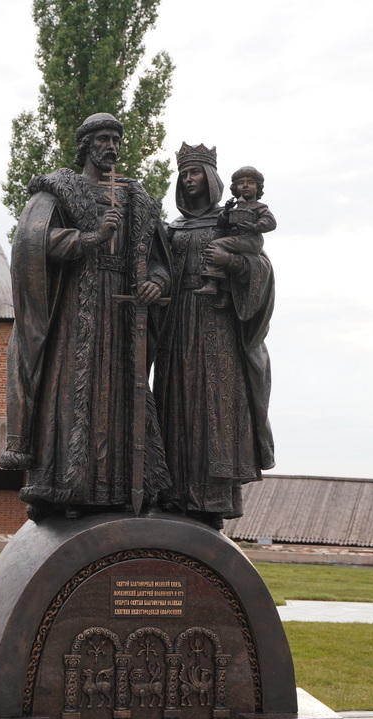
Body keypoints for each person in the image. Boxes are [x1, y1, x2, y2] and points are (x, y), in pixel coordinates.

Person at [0, 113, 172, 520]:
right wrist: (91, 238)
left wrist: (157, 284)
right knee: (73, 393)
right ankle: (67, 486)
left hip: (125, 313)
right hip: (77, 311)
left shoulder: (136, 199)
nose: (110, 145)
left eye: (116, 138)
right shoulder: (59, 193)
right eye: (102, 139)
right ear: (86, 146)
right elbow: (33, 244)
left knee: (122, 394)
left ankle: (123, 489)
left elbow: (160, 260)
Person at [153, 143, 275, 529]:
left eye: (196, 173)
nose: (189, 181)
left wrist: (232, 262)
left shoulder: (232, 223)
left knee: (214, 406)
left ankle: (211, 498)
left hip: (218, 326)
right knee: (176, 401)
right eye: (184, 174)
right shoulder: (172, 228)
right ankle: (173, 493)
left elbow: (262, 270)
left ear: (212, 179)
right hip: (176, 327)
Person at [197, 166, 276, 305]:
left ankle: (212, 281)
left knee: (216, 245)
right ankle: (226, 297)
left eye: (250, 182)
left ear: (258, 187)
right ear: (235, 188)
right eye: (241, 183)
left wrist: (255, 227)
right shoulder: (235, 207)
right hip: (237, 240)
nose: (245, 186)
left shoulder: (260, 207)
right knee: (228, 267)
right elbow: (221, 223)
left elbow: (271, 222)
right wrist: (227, 211)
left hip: (250, 240)